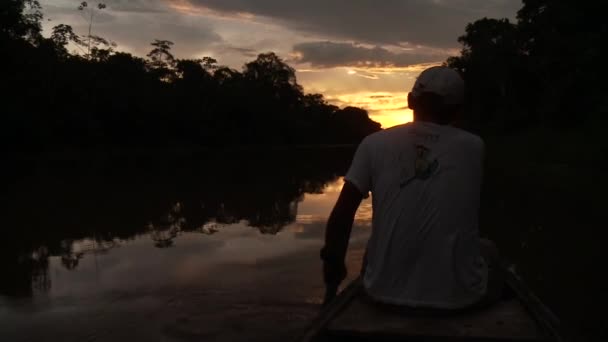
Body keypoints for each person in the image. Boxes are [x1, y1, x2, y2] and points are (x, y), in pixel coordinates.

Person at [321, 66, 501, 311]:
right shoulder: (474, 147)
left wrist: (332, 282)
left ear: (409, 101)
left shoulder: (373, 144)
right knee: (487, 249)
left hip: (382, 296)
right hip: (459, 301)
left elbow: (341, 217)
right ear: (459, 109)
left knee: (370, 254)